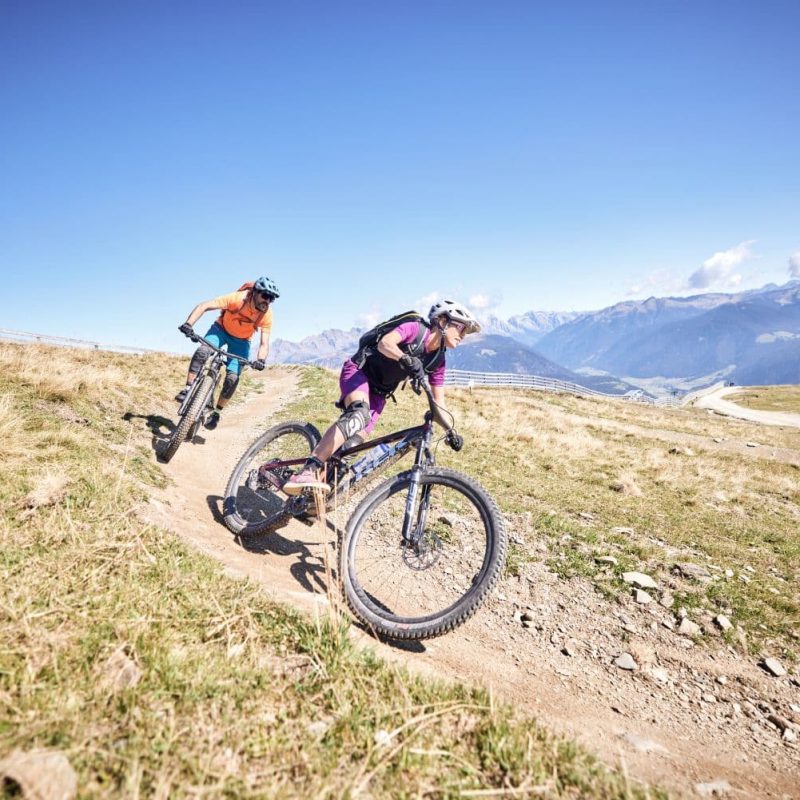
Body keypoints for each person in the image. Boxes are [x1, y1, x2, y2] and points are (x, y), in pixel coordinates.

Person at [283, 299, 481, 495]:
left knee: (352, 446)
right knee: (358, 415)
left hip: (380, 394)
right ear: (442, 321)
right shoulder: (415, 330)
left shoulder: (439, 360)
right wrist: (405, 358)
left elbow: (439, 403)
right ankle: (309, 469)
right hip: (359, 372)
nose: (463, 335)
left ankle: (309, 499)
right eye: (461, 328)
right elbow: (385, 344)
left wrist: (451, 431)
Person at [176, 276, 279, 429]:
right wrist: (189, 323)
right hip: (221, 330)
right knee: (203, 352)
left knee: (232, 378)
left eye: (271, 299)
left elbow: (264, 343)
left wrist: (261, 360)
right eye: (265, 295)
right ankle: (188, 389)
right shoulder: (237, 299)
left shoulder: (267, 314)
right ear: (255, 292)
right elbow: (205, 305)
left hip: (242, 342)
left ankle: (217, 412)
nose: (267, 301)